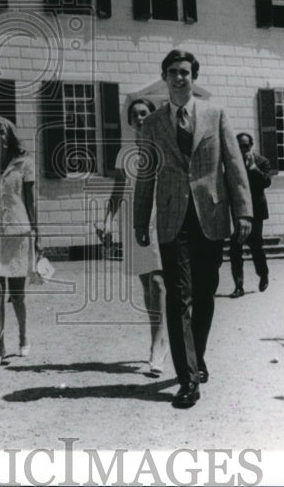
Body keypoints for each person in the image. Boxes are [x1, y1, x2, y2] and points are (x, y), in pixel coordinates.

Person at [133, 49, 253, 409]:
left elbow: (234, 166)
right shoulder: (152, 124)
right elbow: (145, 175)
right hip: (172, 219)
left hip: (210, 216)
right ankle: (187, 380)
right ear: (165, 77)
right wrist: (140, 219)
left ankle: (195, 356)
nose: (179, 77)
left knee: (204, 296)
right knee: (178, 295)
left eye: (184, 72)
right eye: (172, 72)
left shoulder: (215, 115)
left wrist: (243, 212)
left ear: (193, 76)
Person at [103, 97, 168, 376]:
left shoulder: (163, 148)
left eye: (144, 113)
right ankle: (158, 338)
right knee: (146, 286)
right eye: (135, 115)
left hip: (157, 220)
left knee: (158, 281)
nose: (140, 118)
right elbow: (117, 191)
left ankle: (159, 346)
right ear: (130, 121)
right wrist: (106, 221)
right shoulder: (125, 152)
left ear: (152, 116)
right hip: (132, 221)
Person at [0, 116, 40, 367]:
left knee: (17, 293)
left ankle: (23, 336)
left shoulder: (24, 163)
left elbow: (31, 201)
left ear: (8, 136)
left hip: (17, 231)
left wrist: (38, 235)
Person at [229, 133, 272, 298]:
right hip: (238, 211)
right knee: (235, 248)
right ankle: (238, 286)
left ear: (251, 145)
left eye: (245, 146)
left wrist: (253, 168)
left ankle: (263, 274)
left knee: (256, 246)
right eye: (239, 146)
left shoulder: (262, 161)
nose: (242, 150)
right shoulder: (232, 162)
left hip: (256, 211)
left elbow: (266, 182)